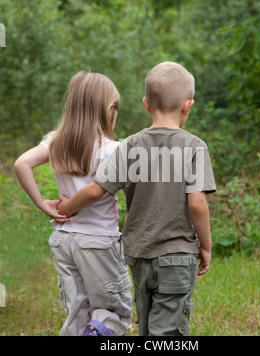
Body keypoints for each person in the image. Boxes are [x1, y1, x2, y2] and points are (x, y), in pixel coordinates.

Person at [58, 62, 216, 336]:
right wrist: (206, 245)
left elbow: (97, 189)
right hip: (177, 254)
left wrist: (66, 206)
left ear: (146, 104)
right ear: (187, 105)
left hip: (138, 254)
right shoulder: (194, 146)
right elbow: (196, 203)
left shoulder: (129, 145)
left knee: (145, 323)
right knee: (168, 331)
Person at [14, 71, 132, 336]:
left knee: (76, 310)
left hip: (63, 241)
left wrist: (42, 203)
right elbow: (130, 194)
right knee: (113, 312)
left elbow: (21, 164)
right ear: (110, 109)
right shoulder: (114, 150)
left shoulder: (56, 141)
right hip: (99, 242)